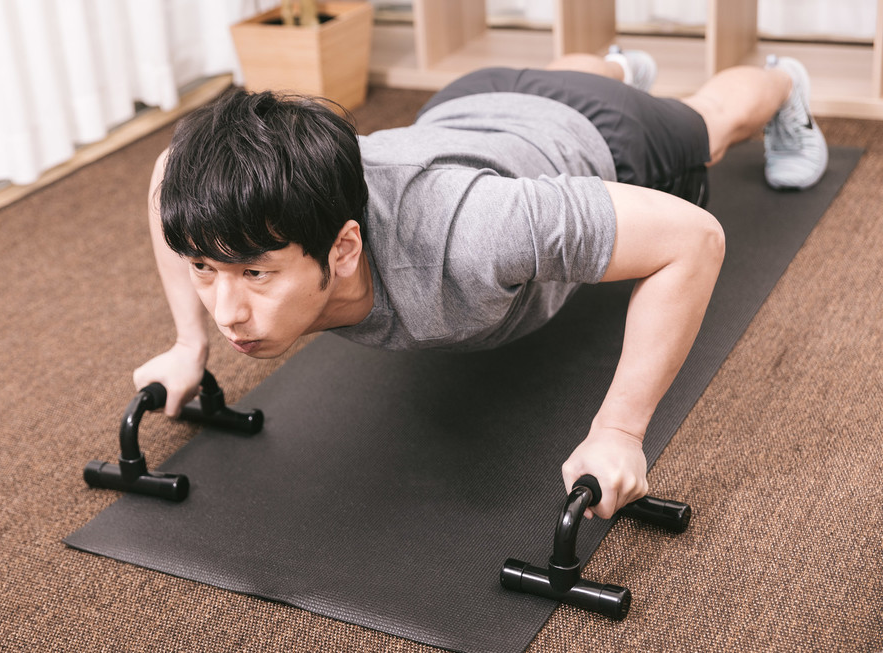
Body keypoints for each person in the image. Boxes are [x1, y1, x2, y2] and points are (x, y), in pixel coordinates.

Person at [133, 49, 828, 520]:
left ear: (343, 249)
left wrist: (619, 430)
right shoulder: (231, 211)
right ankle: (614, 64)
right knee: (553, 79)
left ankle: (783, 81)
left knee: (709, 124)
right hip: (469, 105)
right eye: (205, 270)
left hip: (595, 132)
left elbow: (695, 239)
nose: (228, 311)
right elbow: (169, 171)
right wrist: (188, 344)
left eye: (255, 274)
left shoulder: (475, 232)